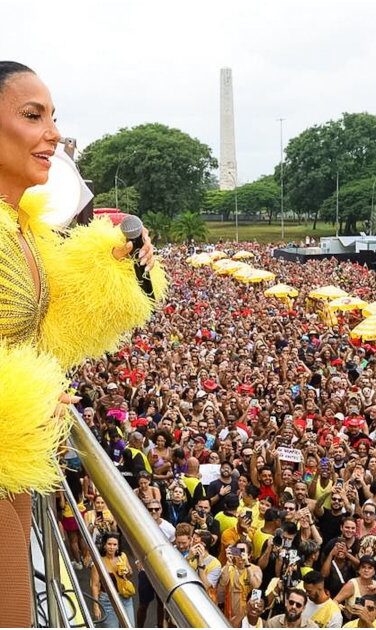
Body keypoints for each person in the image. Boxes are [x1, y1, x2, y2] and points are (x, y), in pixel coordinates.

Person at [0, 61, 164, 627]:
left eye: (54, 118)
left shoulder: (21, 224)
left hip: (14, 456)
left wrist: (118, 269)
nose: (54, 135)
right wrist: (22, 401)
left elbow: (46, 329)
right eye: (31, 115)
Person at [90, 532, 135, 627]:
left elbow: (130, 574)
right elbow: (95, 585)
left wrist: (127, 572)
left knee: (130, 626)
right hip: (108, 600)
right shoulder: (98, 562)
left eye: (115, 544)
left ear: (118, 546)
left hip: (125, 596)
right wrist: (96, 606)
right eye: (109, 544)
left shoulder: (122, 556)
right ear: (104, 545)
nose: (112, 547)